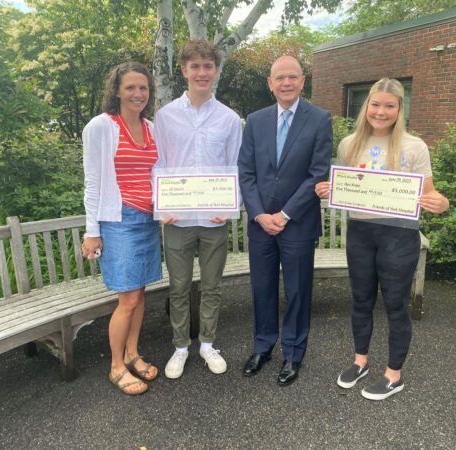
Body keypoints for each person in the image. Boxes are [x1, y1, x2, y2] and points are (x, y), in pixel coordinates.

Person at [315, 78, 449, 400]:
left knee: (394, 305)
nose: (381, 111)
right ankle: (360, 361)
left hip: (399, 235)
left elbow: (431, 195)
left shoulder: (414, 146)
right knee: (360, 300)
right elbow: (346, 186)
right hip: (361, 232)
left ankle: (393, 374)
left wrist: (440, 204)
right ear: (367, 107)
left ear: (399, 108)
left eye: (389, 105)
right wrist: (329, 190)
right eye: (375, 104)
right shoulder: (349, 144)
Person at [238, 55, 332, 386]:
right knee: (261, 288)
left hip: (298, 223)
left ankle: (293, 353)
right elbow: (246, 172)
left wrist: (285, 214)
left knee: (297, 291)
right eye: (280, 78)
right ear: (270, 83)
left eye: (292, 77)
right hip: (261, 224)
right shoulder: (255, 120)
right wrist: (260, 214)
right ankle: (263, 346)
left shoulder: (319, 119)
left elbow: (317, 173)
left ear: (303, 81)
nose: (286, 83)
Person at [153, 40, 242, 379]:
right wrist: (161, 205)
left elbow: (235, 166)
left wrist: (231, 204)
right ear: (184, 70)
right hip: (177, 218)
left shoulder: (230, 119)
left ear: (215, 70)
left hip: (215, 219)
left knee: (212, 285)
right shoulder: (165, 116)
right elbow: (159, 164)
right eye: (196, 66)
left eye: (208, 66)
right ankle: (180, 347)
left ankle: (207, 343)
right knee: (177, 286)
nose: (202, 72)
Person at [82, 62, 163, 395]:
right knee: (127, 298)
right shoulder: (101, 126)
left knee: (140, 293)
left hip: (147, 220)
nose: (138, 93)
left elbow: (158, 175)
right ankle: (116, 366)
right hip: (118, 221)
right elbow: (92, 181)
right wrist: (91, 230)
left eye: (143, 88)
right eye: (130, 87)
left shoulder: (152, 128)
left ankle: (133, 353)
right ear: (116, 90)